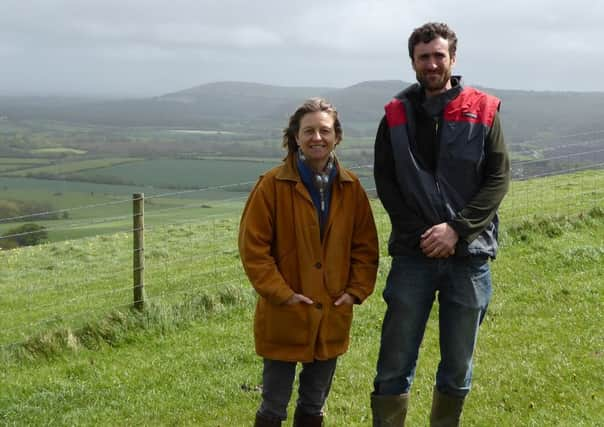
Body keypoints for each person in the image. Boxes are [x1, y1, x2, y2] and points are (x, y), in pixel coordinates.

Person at [371, 22, 510, 426]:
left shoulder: (484, 110)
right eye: (423, 57)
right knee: (394, 360)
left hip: (470, 257)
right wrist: (422, 235)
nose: (431, 64)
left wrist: (457, 229)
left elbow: (498, 178)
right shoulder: (394, 114)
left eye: (438, 55)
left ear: (452, 58)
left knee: (457, 363)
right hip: (413, 256)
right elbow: (387, 181)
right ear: (412, 61)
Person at [239, 97, 379, 427]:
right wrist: (283, 294)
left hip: (332, 312)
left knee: (314, 404)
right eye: (309, 131)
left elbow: (366, 248)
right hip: (284, 313)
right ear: (296, 137)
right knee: (273, 406)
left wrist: (356, 290)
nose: (317, 137)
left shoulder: (351, 188)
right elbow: (253, 250)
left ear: (337, 137)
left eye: (325, 130)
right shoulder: (271, 185)